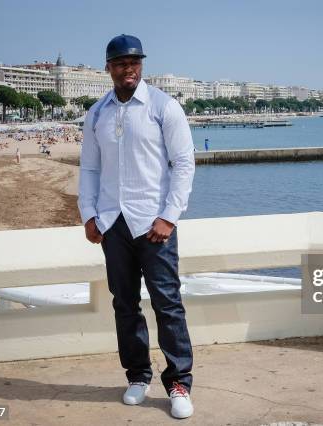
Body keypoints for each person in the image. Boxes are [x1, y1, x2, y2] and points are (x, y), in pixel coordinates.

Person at [78, 34, 196, 419]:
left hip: (154, 224)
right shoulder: (96, 114)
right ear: (108, 67)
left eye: (135, 62)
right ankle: (137, 375)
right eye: (121, 63)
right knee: (125, 304)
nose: (129, 69)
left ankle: (179, 382)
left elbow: (184, 163)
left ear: (141, 66)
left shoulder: (164, 106)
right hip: (113, 224)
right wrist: (89, 215)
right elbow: (91, 169)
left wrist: (169, 216)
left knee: (168, 304)